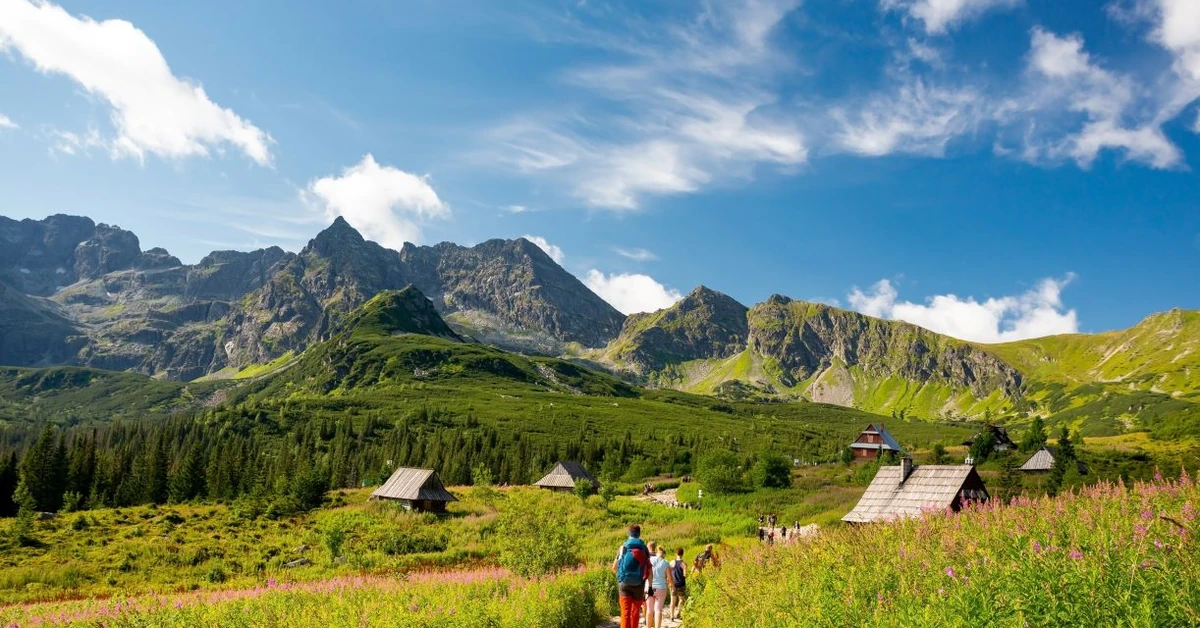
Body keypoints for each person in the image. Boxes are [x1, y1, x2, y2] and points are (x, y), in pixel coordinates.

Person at [613, 524, 651, 628]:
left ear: (629, 534)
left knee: (625, 613)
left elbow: (614, 567)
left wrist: (620, 577)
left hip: (624, 584)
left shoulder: (623, 547)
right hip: (639, 584)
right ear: (639, 534)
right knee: (635, 612)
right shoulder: (644, 548)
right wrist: (650, 586)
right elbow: (649, 568)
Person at [647, 546, 669, 628]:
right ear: (664, 554)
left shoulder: (649, 560)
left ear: (657, 553)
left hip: (649, 587)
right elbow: (670, 577)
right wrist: (672, 585)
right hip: (661, 588)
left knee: (649, 610)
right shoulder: (665, 563)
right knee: (658, 610)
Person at [668, 547, 687, 622]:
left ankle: (672, 616)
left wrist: (669, 581)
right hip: (681, 584)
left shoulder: (671, 562)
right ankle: (679, 613)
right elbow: (685, 575)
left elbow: (668, 573)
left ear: (676, 553)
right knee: (681, 599)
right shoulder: (684, 564)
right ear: (683, 554)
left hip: (673, 584)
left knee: (672, 601)